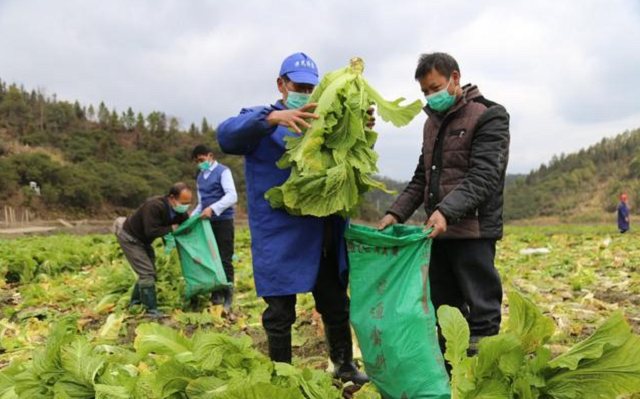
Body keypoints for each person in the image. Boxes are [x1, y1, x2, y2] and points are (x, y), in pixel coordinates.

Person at [216, 52, 368, 384]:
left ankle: (344, 366)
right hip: (280, 233)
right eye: (298, 85)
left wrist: (358, 123)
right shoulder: (261, 119)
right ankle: (281, 374)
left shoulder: (324, 118)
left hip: (323, 230)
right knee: (280, 311)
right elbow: (225, 136)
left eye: (311, 87)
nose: (305, 92)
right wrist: (272, 119)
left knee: (335, 303)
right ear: (281, 85)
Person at [378, 52, 510, 355]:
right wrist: (394, 213)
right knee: (446, 311)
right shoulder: (432, 124)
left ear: (455, 78)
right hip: (437, 232)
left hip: (473, 231)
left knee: (482, 310)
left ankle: (482, 372)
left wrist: (446, 211)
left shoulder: (489, 114)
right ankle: (451, 373)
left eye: (435, 87)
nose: (430, 96)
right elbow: (421, 178)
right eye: (425, 91)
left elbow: (484, 175)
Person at [115, 182, 192, 318]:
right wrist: (171, 229)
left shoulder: (179, 212)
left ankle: (135, 303)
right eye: (183, 202)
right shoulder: (154, 206)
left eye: (188, 203)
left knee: (149, 272)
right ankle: (151, 310)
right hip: (130, 238)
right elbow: (151, 231)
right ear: (172, 198)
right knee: (147, 273)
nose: (186, 206)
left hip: (143, 241)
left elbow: (187, 225)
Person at [191, 144, 238, 312]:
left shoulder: (223, 171)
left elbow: (232, 196)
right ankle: (216, 294)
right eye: (197, 161)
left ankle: (228, 295)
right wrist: (190, 219)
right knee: (211, 257)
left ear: (210, 156)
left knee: (224, 258)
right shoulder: (200, 177)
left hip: (223, 221)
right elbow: (201, 204)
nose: (200, 163)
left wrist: (213, 208)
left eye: (202, 160)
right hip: (207, 223)